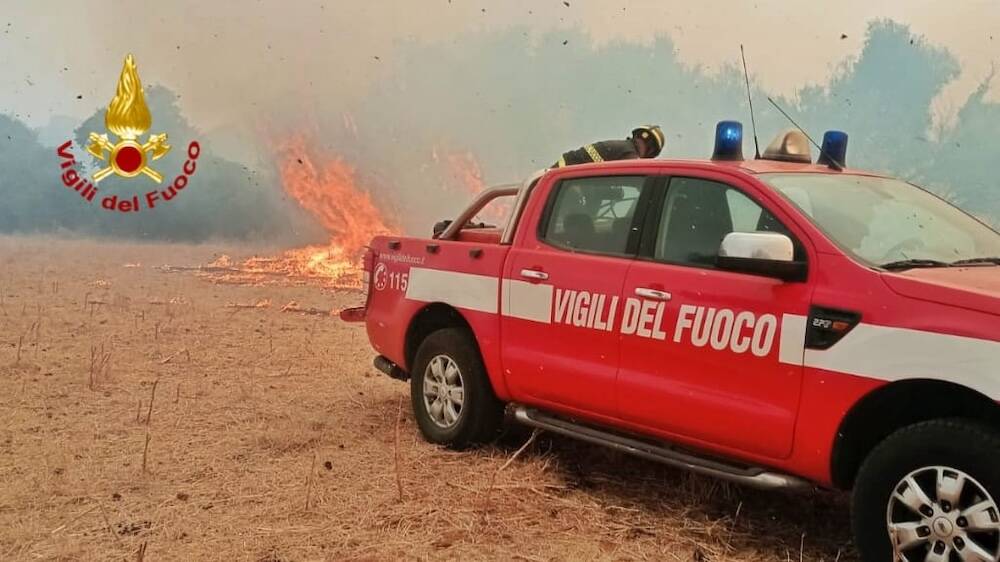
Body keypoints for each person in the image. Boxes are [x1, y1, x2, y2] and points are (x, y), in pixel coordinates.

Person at [553, 125, 664, 168]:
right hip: (566, 176)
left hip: (562, 170)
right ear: (651, 152)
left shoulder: (623, 148)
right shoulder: (630, 154)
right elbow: (630, 176)